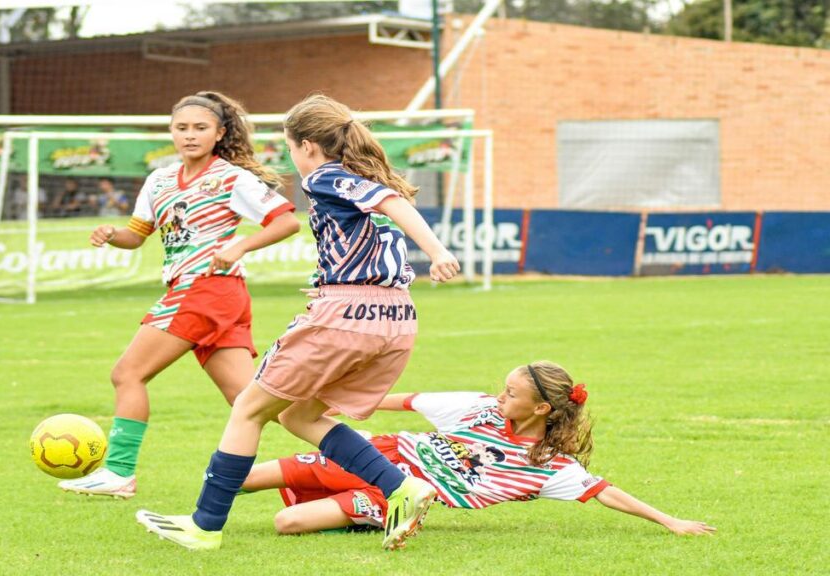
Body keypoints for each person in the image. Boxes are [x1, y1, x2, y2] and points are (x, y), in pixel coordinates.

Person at [135, 94, 461, 551]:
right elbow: (379, 219)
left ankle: (204, 525)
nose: (292, 158)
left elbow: (392, 204)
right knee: (299, 413)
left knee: (249, 407)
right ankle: (401, 487)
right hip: (397, 317)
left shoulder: (326, 175)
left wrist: (438, 252)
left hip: (346, 316)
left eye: (289, 148)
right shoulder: (360, 174)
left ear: (307, 145)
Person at [58, 91, 300, 499]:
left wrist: (238, 246)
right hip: (215, 294)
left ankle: (118, 473)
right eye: (181, 128)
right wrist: (111, 234)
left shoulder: (231, 177)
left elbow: (286, 222)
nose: (189, 135)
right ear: (171, 131)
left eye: (200, 128)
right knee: (250, 400)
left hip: (204, 289)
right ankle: (358, 450)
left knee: (127, 373)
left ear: (220, 133)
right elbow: (137, 236)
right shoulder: (160, 180)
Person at [236, 361, 716, 537]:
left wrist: (669, 521)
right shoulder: (480, 407)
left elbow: (605, 491)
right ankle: (197, 520)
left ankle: (375, 516)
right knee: (241, 479)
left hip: (397, 491)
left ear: (542, 409)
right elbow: (402, 401)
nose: (500, 395)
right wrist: (334, 405)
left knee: (288, 523)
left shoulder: (548, 466)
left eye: (511, 393)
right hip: (375, 454)